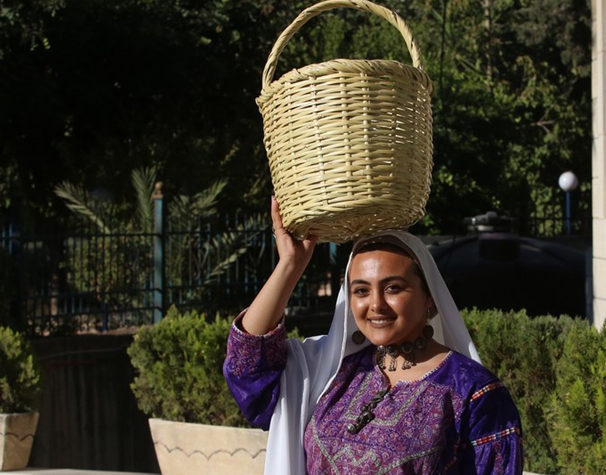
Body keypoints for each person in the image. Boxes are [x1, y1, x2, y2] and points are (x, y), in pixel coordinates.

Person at [223, 198, 524, 474]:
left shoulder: (473, 391)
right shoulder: (330, 372)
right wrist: (290, 264)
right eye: (361, 291)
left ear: (429, 297)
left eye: (393, 287)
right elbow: (247, 366)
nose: (376, 304)